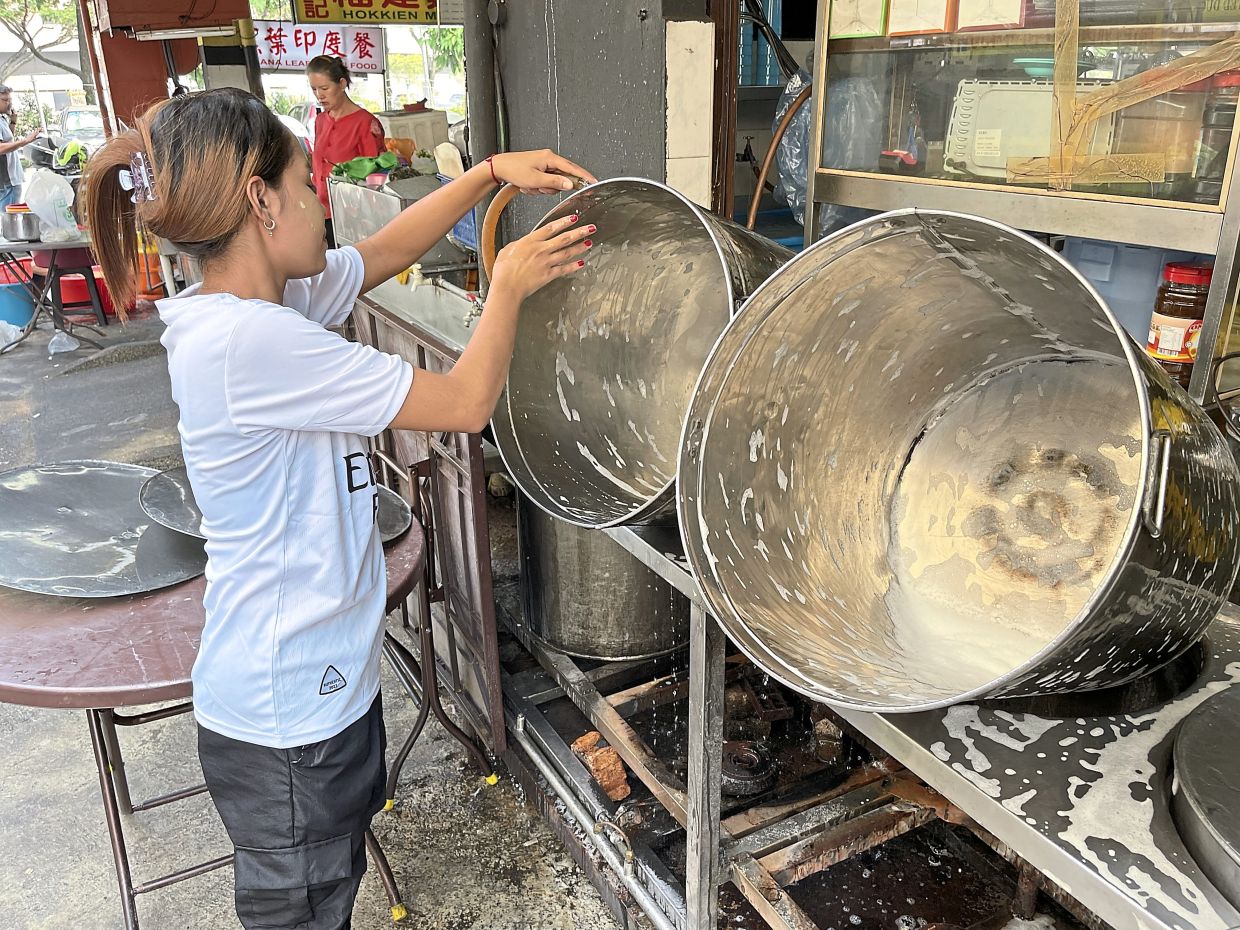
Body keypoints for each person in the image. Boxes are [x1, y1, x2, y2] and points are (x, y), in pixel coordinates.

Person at [82, 87, 596, 930]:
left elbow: (387, 248)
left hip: (310, 697)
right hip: (288, 727)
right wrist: (505, 286)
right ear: (261, 201)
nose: (323, 203)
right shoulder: (255, 343)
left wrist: (490, 176)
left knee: (330, 896)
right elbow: (467, 403)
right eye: (309, 186)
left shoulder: (247, 312)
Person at [306, 55, 384, 238]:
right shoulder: (320, 121)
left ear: (341, 84)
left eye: (325, 88)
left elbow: (376, 177)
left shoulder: (366, 123)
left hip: (355, 219)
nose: (319, 95)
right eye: (314, 89)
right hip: (322, 213)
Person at [0, 85, 39, 211]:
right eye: (5, 100)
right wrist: (25, 141)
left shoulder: (2, 119)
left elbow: (8, 139)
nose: (9, 103)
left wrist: (13, 122)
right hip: (7, 181)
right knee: (8, 221)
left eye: (10, 100)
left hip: (10, 179)